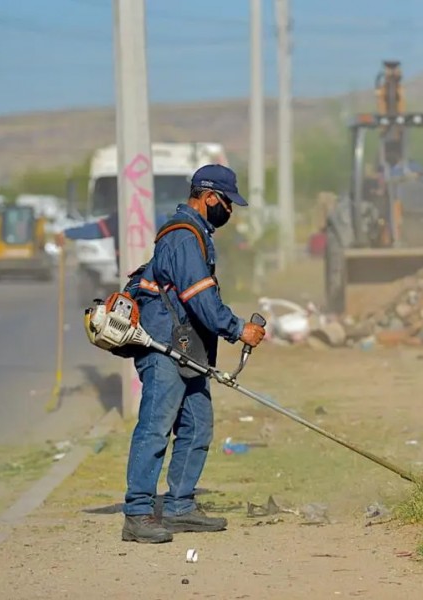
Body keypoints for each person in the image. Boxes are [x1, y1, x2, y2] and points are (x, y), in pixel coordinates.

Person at [119, 164, 266, 544]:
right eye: (228, 203)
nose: (230, 211)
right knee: (155, 427)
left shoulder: (197, 234)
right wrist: (238, 329)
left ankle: (180, 507)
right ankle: (137, 512)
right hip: (163, 346)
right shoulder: (184, 237)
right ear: (210, 197)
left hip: (187, 350)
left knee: (197, 425)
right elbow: (201, 298)